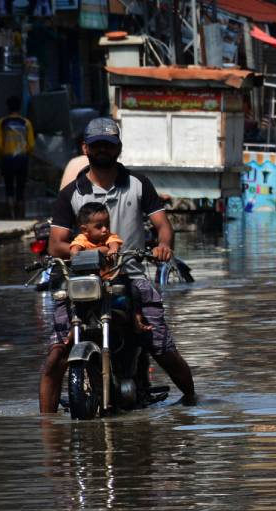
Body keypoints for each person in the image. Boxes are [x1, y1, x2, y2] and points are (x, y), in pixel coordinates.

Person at [39, 117, 197, 412]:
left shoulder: (138, 185)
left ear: (118, 148)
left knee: (159, 345)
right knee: (56, 354)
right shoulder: (71, 193)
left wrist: (164, 246)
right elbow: (56, 243)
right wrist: (83, 255)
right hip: (82, 281)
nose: (102, 150)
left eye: (108, 145)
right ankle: (47, 427)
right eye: (96, 144)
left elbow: (163, 225)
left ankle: (191, 400)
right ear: (86, 148)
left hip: (131, 276)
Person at [68, 202, 154, 334]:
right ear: (85, 230)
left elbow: (114, 245)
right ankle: (72, 329)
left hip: (112, 279)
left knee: (133, 291)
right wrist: (101, 250)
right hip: (89, 283)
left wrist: (112, 250)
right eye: (99, 226)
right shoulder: (81, 239)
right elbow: (74, 251)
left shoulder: (110, 237)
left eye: (106, 225)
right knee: (70, 298)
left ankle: (137, 320)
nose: (105, 229)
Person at [0, 95, 34, 218]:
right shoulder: (26, 123)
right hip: (22, 158)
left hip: (7, 159)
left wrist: (3, 154)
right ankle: (20, 215)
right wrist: (24, 152)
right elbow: (31, 144)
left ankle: (10, 215)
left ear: (8, 107)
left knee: (9, 187)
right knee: (21, 187)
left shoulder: (2, 122)